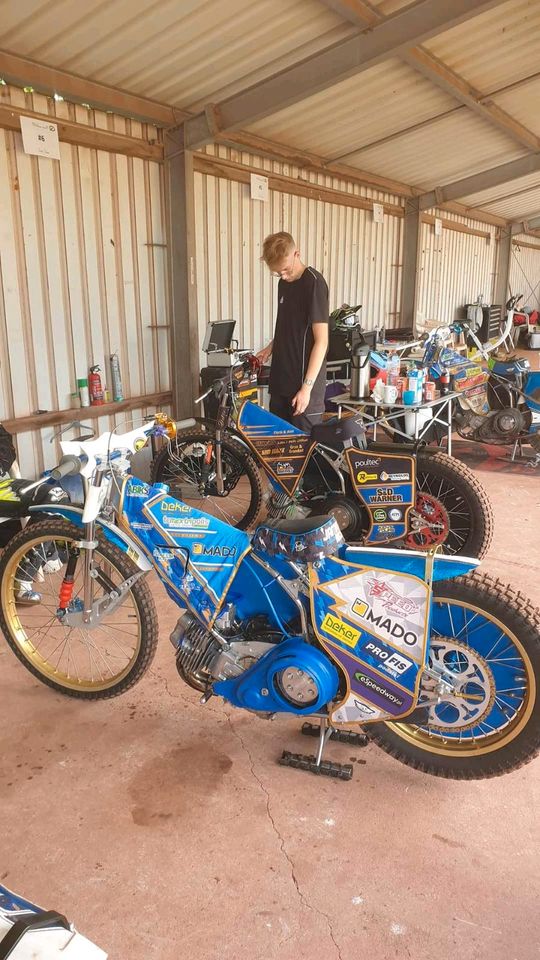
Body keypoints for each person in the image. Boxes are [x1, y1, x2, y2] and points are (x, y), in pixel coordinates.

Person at [257, 232, 329, 432]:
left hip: (303, 388)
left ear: (297, 253)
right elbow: (287, 326)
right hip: (281, 381)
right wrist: (269, 349)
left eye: (286, 270)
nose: (283, 276)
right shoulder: (284, 284)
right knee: (279, 451)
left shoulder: (314, 283)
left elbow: (322, 342)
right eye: (278, 273)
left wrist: (306, 389)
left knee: (304, 454)